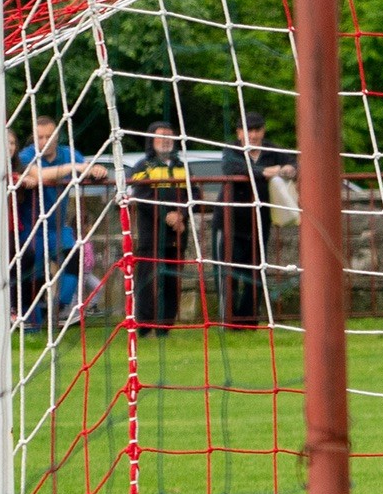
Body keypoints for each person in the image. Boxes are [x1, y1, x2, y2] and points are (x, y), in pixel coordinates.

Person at [210, 117, 294, 329]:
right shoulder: (231, 150)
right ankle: (227, 322)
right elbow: (232, 168)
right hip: (229, 221)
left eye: (257, 130)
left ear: (263, 131)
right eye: (248, 130)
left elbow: (292, 165)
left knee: (255, 272)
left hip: (260, 221)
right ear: (239, 133)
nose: (253, 135)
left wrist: (287, 170)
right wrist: (267, 171)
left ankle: (248, 323)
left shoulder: (272, 149)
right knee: (227, 272)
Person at [126, 122, 194, 334]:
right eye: (160, 136)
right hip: (151, 234)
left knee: (172, 281)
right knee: (147, 281)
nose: (165, 140)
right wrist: (167, 216)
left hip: (177, 235)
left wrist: (181, 215)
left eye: (169, 136)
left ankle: (165, 327)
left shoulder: (182, 166)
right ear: (151, 139)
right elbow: (142, 196)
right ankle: (145, 327)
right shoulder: (143, 166)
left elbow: (194, 194)